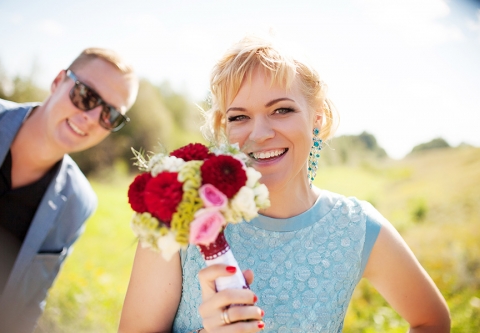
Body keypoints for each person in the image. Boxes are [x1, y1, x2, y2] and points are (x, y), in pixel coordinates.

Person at [118, 35, 450, 333]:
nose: (259, 133)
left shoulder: (355, 228)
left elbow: (432, 321)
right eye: (239, 116)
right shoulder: (181, 215)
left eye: (281, 110)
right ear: (224, 127)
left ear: (317, 117)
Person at [0, 47, 139, 332]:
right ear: (57, 82)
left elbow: (28, 306)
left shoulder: (78, 203)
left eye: (110, 114)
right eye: (86, 95)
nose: (92, 116)